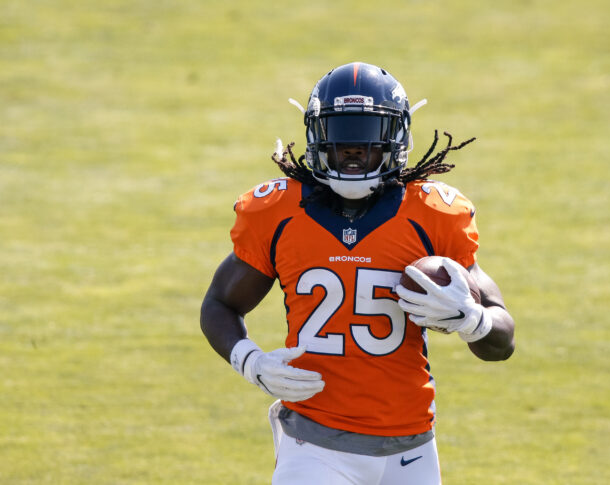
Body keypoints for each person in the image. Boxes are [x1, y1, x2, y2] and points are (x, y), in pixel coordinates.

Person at [200, 61, 515, 485]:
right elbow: (220, 302)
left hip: (411, 446)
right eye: (340, 136)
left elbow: (501, 342)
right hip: (312, 444)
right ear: (316, 136)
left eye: (367, 137)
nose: (351, 149)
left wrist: (473, 320)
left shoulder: (433, 215)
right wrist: (249, 360)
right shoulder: (277, 213)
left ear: (396, 137)